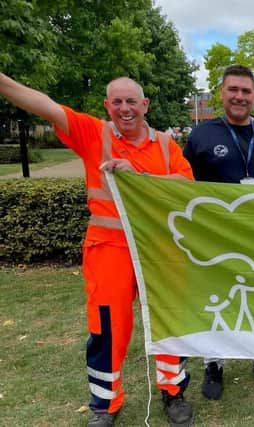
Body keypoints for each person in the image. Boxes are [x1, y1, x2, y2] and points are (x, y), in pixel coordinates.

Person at [0, 73, 195, 427]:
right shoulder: (95, 133)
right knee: (107, 327)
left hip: (159, 251)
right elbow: (43, 104)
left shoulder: (167, 145)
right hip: (108, 250)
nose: (125, 109)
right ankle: (105, 404)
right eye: (117, 102)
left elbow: (186, 185)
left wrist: (135, 173)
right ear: (107, 106)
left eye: (131, 101)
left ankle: (173, 392)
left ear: (145, 105)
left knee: (169, 319)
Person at [183, 64, 254, 401]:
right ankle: (214, 364)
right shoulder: (201, 135)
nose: (239, 96)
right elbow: (182, 185)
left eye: (246, 91)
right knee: (218, 300)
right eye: (233, 89)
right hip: (216, 237)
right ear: (221, 93)